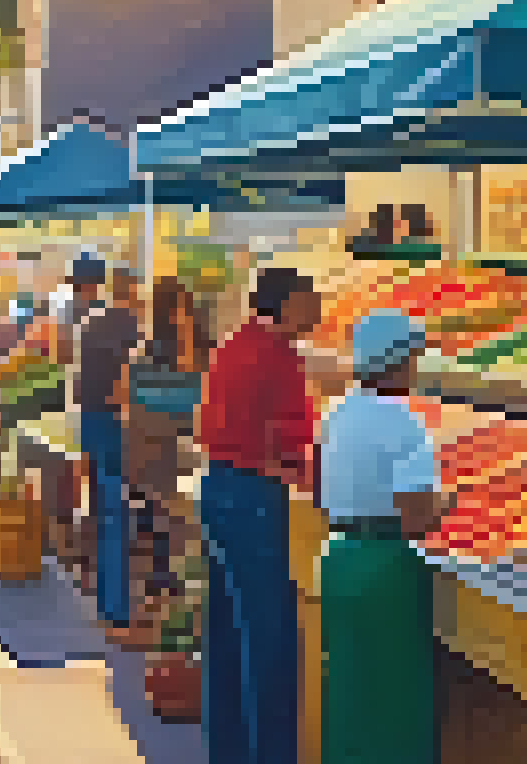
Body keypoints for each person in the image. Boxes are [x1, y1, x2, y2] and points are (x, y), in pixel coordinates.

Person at [197, 267, 322, 764]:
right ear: (288, 303)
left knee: (227, 632)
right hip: (254, 497)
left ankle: (226, 750)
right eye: (310, 299)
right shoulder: (279, 356)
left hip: (219, 487)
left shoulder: (232, 344)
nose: (317, 309)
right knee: (270, 638)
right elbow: (290, 441)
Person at [314, 311, 443, 764]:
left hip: (339, 558)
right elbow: (417, 517)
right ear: (398, 361)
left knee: (351, 692)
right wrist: (447, 504)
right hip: (386, 570)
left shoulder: (339, 412)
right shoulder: (404, 424)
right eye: (413, 358)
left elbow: (324, 495)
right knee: (393, 700)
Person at [72, 258, 139, 628]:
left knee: (102, 510)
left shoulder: (89, 325)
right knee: (119, 515)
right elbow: (126, 388)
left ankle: (105, 600)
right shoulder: (134, 331)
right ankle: (117, 609)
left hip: (91, 421)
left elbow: (80, 386)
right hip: (119, 424)